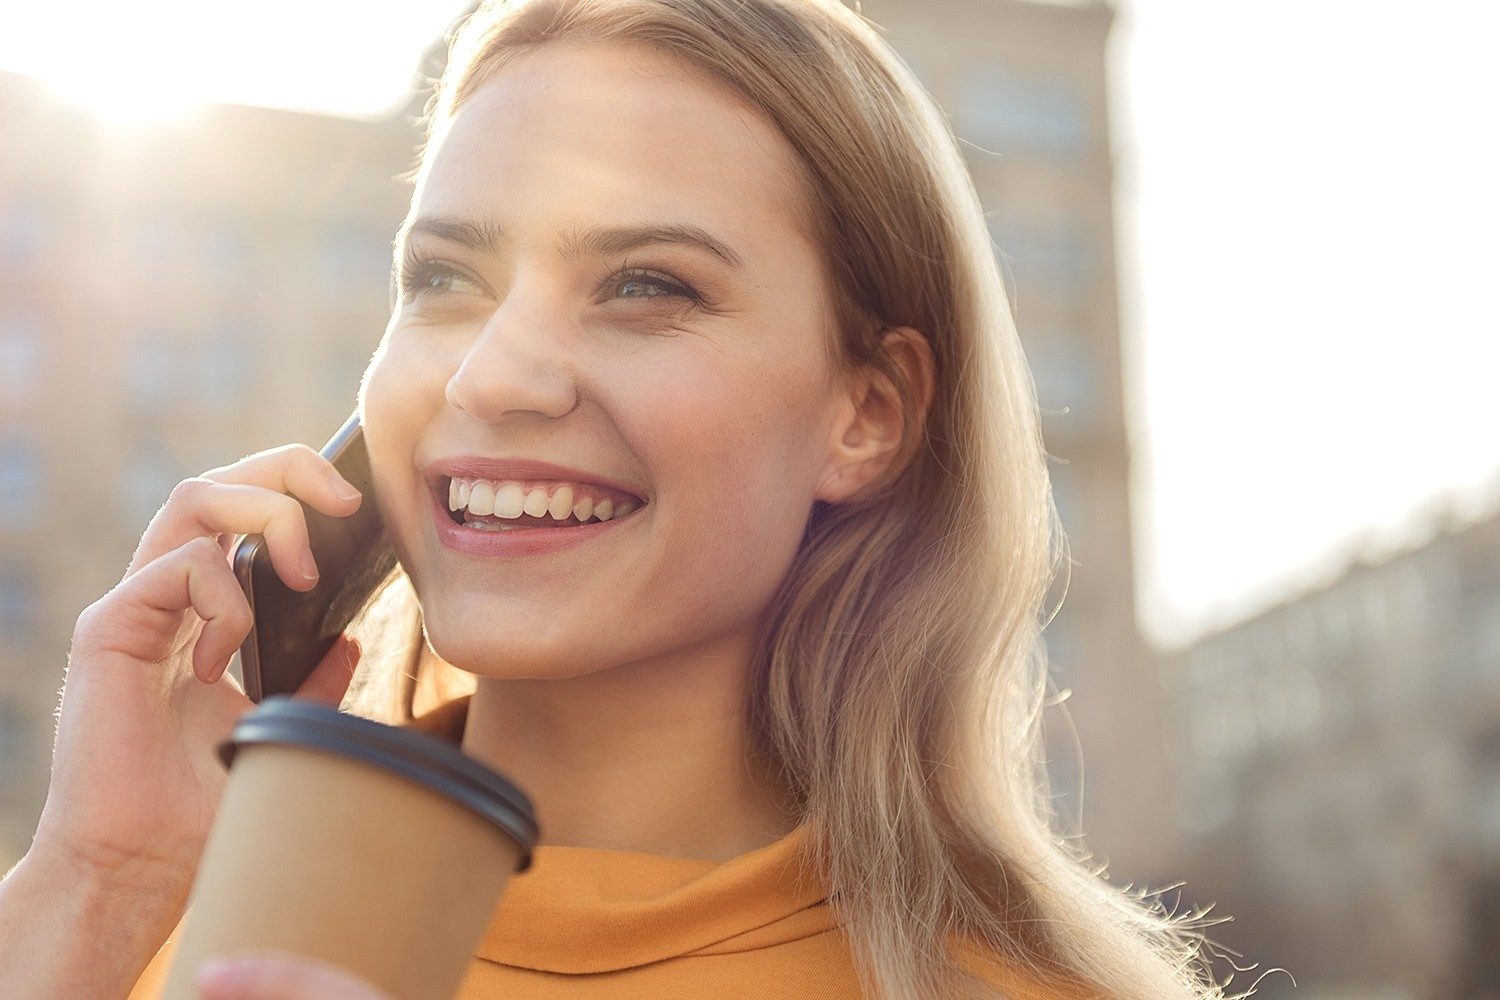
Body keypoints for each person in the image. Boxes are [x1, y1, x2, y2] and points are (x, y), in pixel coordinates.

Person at [0, 0, 1244, 997]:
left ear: (865, 413)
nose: (490, 373)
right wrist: (94, 887)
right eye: (444, 275)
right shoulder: (153, 924)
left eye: (646, 285)